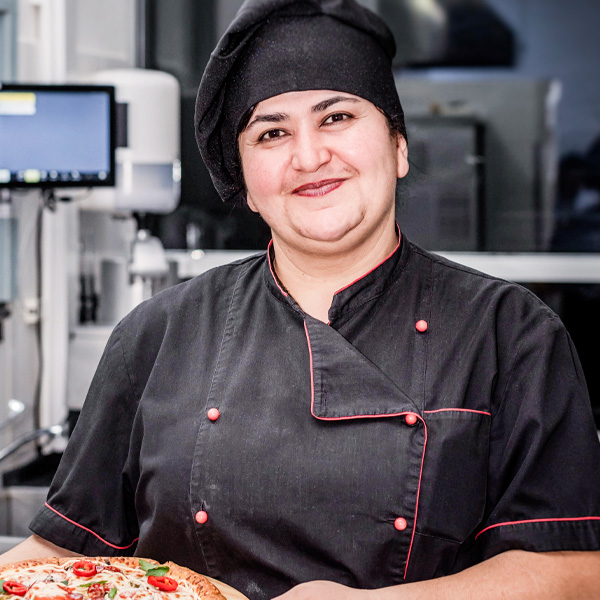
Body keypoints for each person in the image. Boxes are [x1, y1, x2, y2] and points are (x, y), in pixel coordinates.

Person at [2, 1, 600, 598]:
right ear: (246, 184)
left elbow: (573, 570)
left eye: (336, 117)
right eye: (272, 133)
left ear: (398, 146)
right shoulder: (159, 331)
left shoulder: (510, 331)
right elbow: (65, 554)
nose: (309, 157)